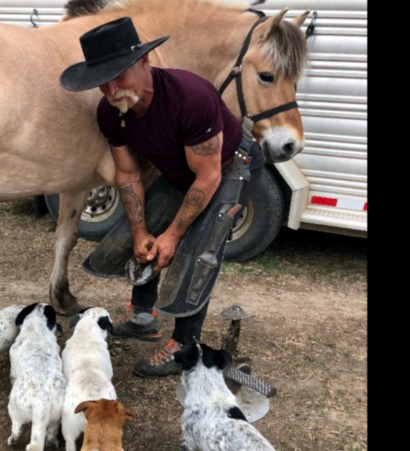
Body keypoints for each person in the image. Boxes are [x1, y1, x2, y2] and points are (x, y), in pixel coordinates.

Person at [60, 16, 261, 376]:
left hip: (231, 166)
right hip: (180, 171)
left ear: (144, 62)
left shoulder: (190, 96)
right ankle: (142, 317)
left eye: (119, 75)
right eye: (102, 81)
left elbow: (209, 175)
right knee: (140, 239)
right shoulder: (110, 114)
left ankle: (185, 344)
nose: (111, 89)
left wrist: (173, 235)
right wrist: (141, 233)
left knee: (198, 250)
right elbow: (127, 172)